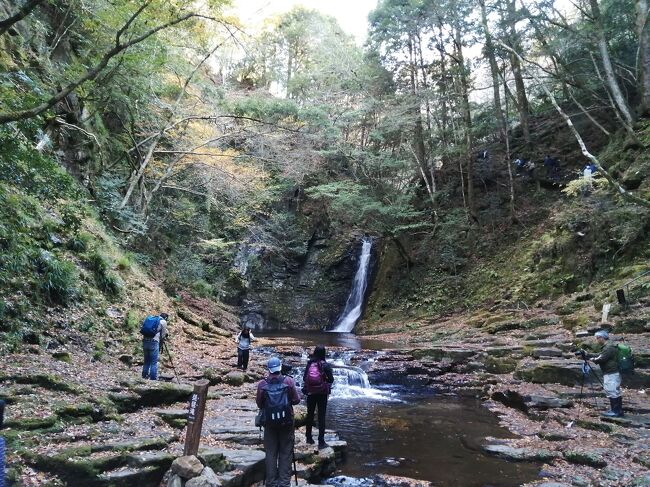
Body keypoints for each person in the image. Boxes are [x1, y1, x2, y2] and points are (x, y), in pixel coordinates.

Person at [256, 357, 301, 487]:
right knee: (286, 452)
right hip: (286, 422)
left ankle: (271, 482)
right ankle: (284, 483)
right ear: (280, 368)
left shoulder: (262, 385)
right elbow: (296, 400)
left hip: (269, 423)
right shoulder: (289, 381)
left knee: (271, 453)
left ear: (269, 369)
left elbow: (259, 404)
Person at [302, 345, 334, 449]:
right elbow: (331, 380)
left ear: (315, 352)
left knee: (310, 414)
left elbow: (304, 378)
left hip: (311, 393)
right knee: (321, 416)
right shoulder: (325, 365)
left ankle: (308, 437)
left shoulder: (310, 363)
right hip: (322, 393)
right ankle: (321, 441)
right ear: (324, 353)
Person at [590, 330, 624, 417]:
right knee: (615, 391)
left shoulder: (608, 347)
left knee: (611, 390)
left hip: (611, 372)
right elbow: (601, 354)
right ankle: (617, 410)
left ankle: (615, 411)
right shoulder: (609, 345)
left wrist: (592, 359)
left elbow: (601, 358)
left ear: (601, 338)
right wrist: (589, 355)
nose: (597, 340)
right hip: (613, 372)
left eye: (597, 338)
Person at [142, 312, 168, 381]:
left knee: (146, 361)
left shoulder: (152, 319)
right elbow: (162, 336)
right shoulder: (163, 321)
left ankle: (144, 377)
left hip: (145, 341)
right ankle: (153, 379)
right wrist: (161, 344)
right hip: (154, 342)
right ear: (166, 318)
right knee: (154, 362)